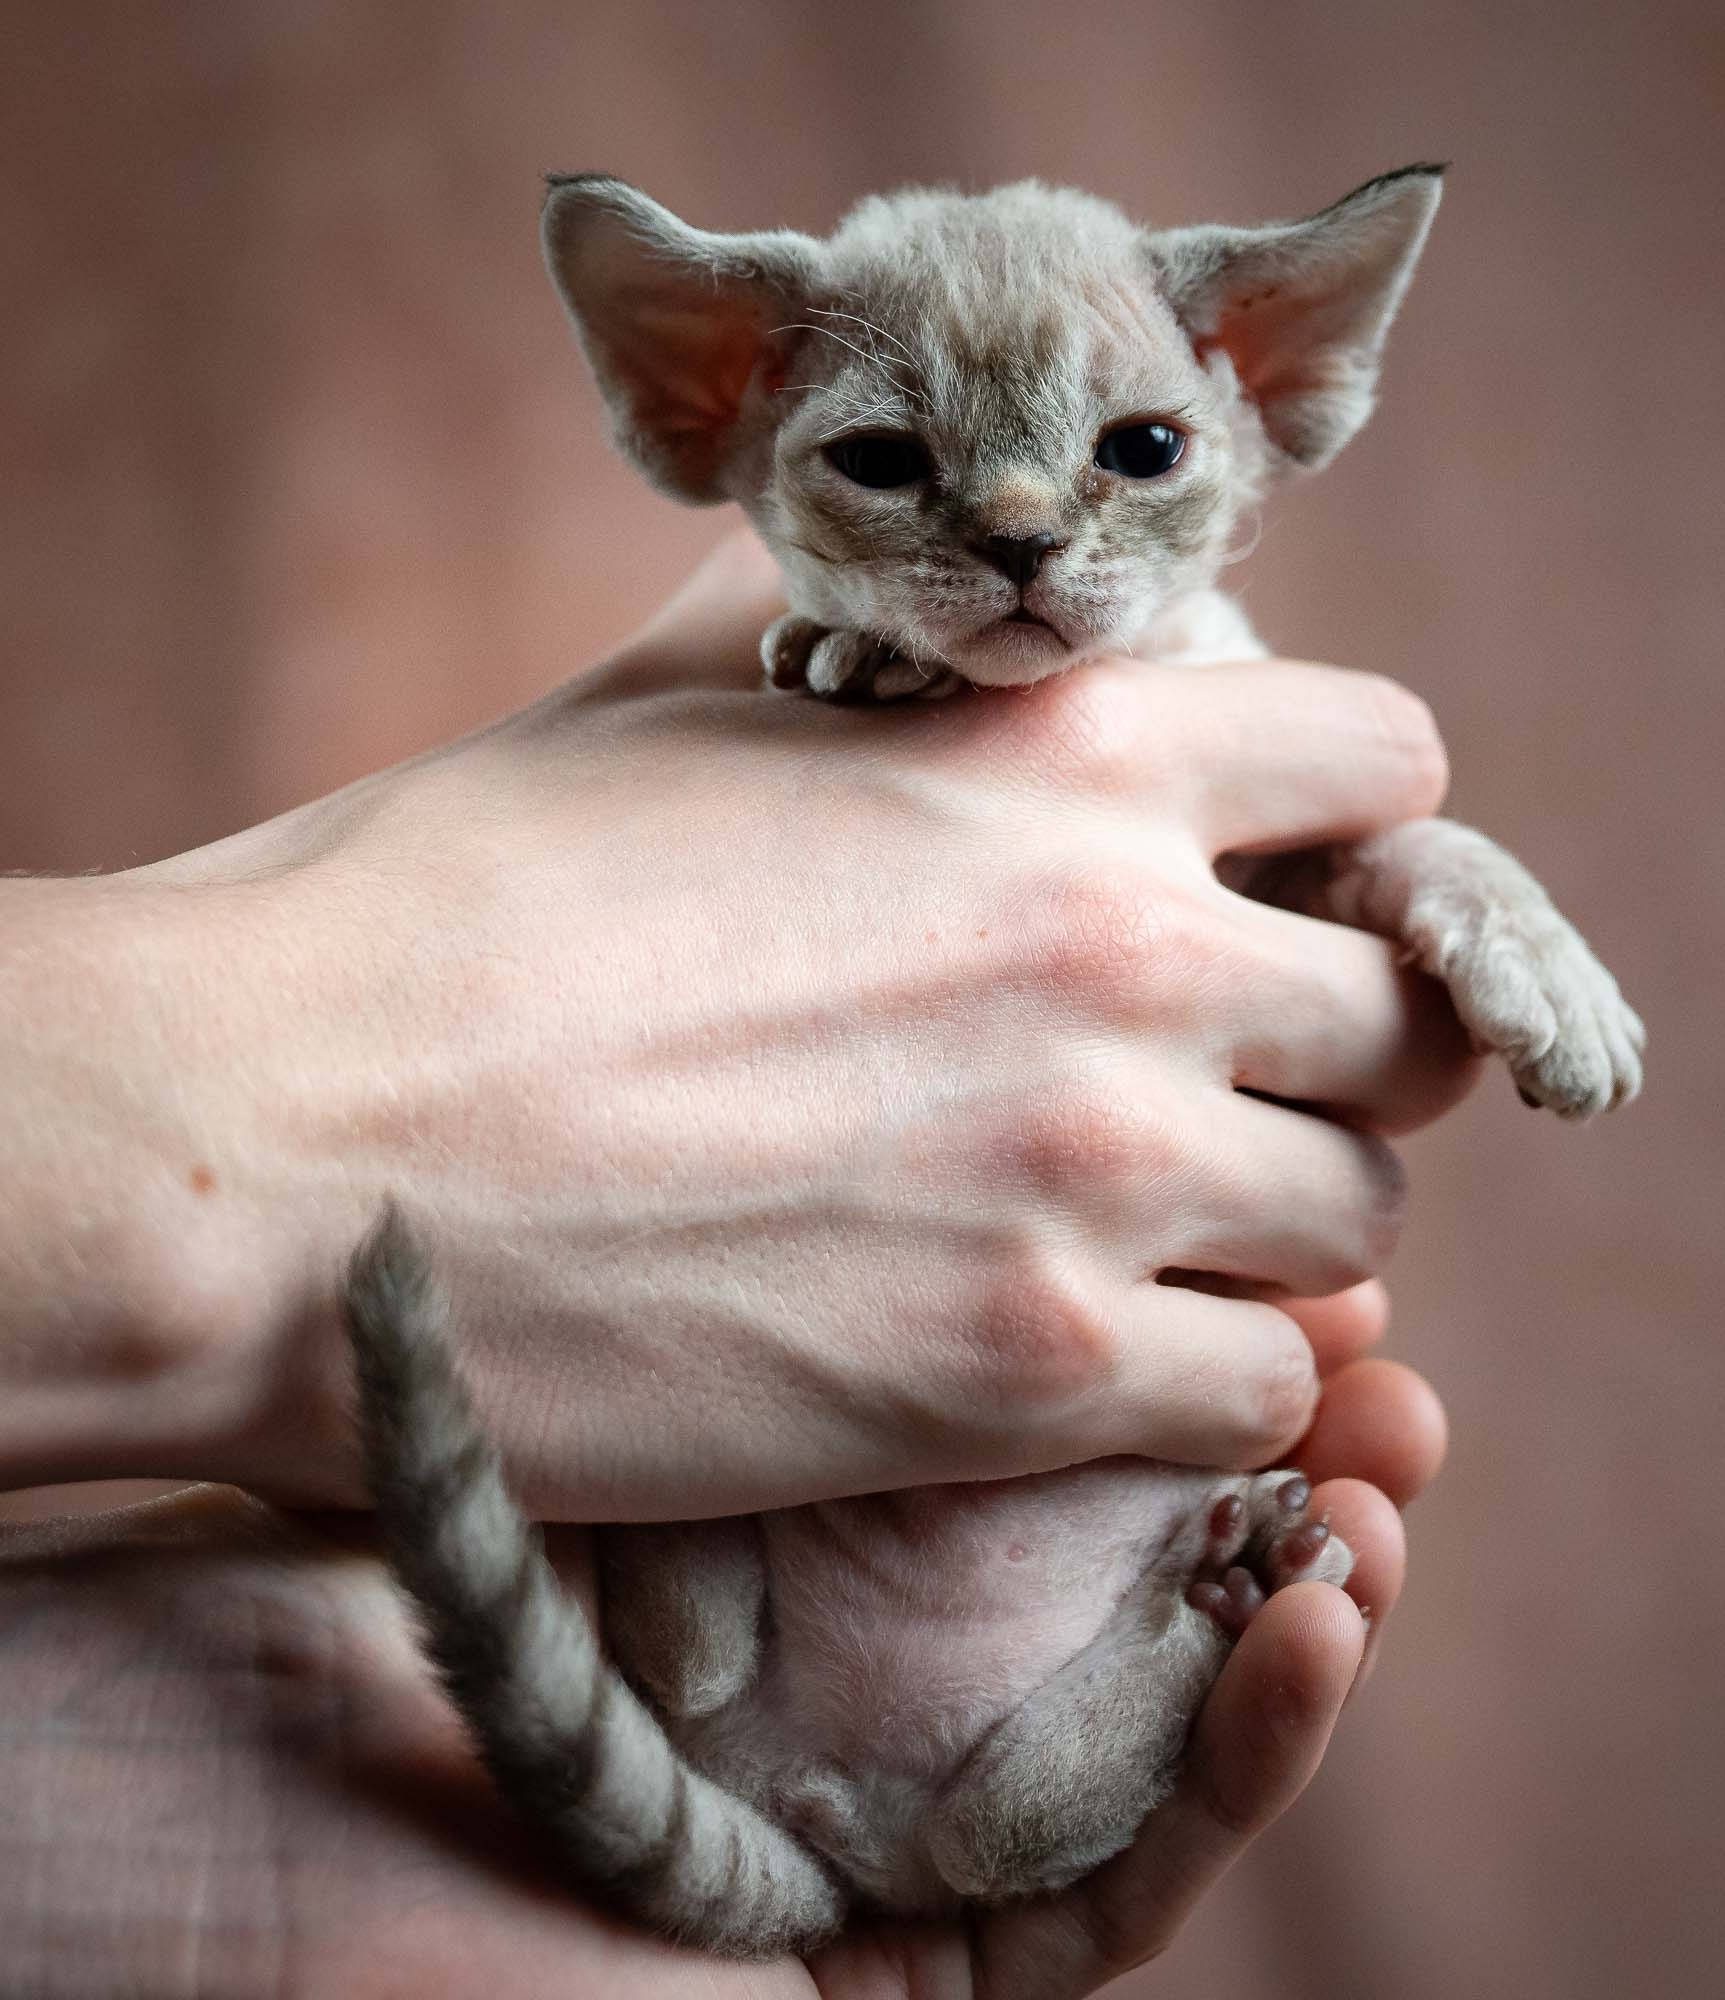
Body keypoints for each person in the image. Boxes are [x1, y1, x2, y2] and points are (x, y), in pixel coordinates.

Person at [0, 531, 1473, 1996]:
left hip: (834, 1751)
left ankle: (1175, 1611)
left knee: (1007, 1801)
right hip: (717, 1702)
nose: (1023, 525)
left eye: (1140, 450)